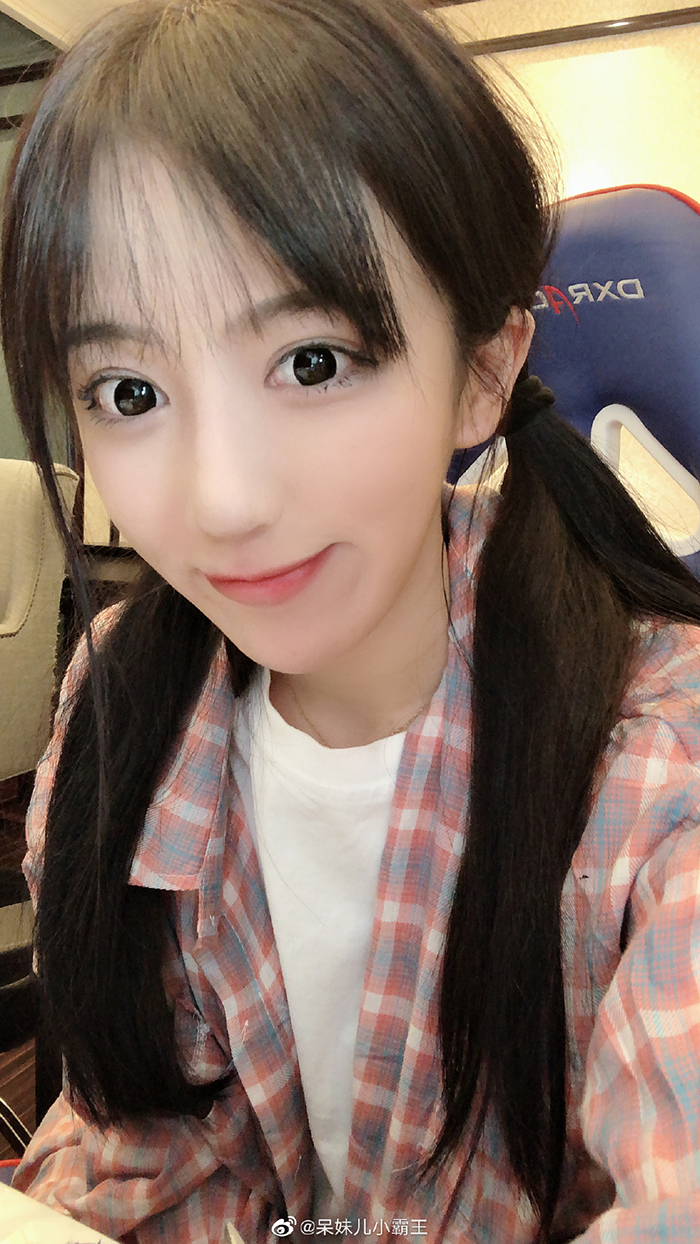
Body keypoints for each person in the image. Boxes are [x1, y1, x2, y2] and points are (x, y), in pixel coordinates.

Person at [5, 0, 700, 1240]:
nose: (223, 501)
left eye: (313, 361)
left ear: (482, 369)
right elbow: (144, 1148)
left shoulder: (659, 752)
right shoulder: (128, 694)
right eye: (129, 390)